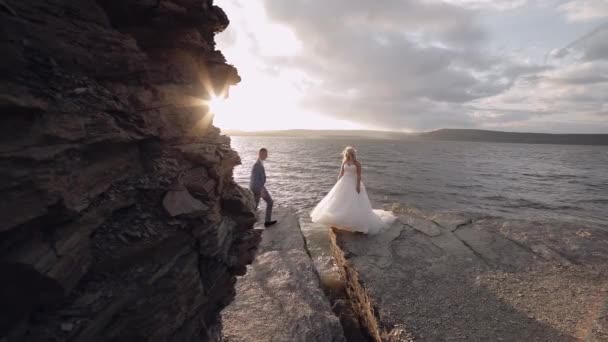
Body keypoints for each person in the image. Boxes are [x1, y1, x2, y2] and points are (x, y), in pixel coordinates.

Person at [311, 146, 395, 234]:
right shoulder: (344, 162)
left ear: (352, 154)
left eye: (349, 153)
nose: (348, 154)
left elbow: (359, 176)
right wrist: (337, 183)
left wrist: (358, 186)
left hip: (353, 182)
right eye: (347, 153)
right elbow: (341, 173)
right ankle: (339, 217)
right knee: (340, 199)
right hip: (344, 182)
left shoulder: (357, 163)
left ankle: (353, 221)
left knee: (353, 201)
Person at [249, 148, 277, 227]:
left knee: (256, 206)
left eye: (266, 154)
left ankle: (266, 221)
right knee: (267, 203)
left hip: (260, 188)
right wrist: (260, 190)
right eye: (265, 154)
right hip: (258, 189)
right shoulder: (257, 165)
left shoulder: (259, 163)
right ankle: (251, 223)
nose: (266, 156)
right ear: (260, 154)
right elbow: (254, 179)